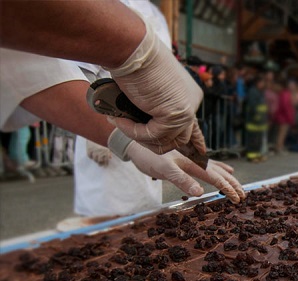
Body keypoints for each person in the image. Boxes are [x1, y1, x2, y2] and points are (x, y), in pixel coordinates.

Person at [0, 2, 245, 201]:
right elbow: (35, 69)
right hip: (99, 130)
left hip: (149, 143)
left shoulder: (155, 14)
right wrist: (119, 138)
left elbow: (31, 70)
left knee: (147, 212)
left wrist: (172, 142)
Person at [73, 0, 168, 218]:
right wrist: (96, 134)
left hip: (147, 130)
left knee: (148, 216)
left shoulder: (155, 14)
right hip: (106, 127)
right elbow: (78, 76)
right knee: (108, 223)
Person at [244, 73, 269, 162]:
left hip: (260, 121)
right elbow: (252, 106)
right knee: (253, 139)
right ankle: (251, 156)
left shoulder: (259, 92)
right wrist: (256, 115)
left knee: (258, 140)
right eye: (262, 82)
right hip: (253, 120)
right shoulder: (253, 91)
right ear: (257, 82)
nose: (263, 84)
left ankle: (258, 154)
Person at [274, 79, 296, 154]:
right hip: (284, 117)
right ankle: (279, 148)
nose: (293, 87)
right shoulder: (286, 94)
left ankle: (280, 147)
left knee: (282, 133)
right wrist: (290, 117)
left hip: (283, 116)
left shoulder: (284, 93)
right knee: (282, 134)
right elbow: (286, 106)